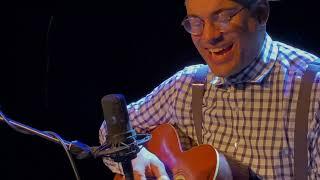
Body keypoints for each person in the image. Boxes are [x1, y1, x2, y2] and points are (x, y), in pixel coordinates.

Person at [99, 0, 320, 179]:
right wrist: (136, 157)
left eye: (223, 17)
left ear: (260, 14)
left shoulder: (313, 91)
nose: (209, 36)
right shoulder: (186, 86)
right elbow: (111, 131)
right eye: (196, 22)